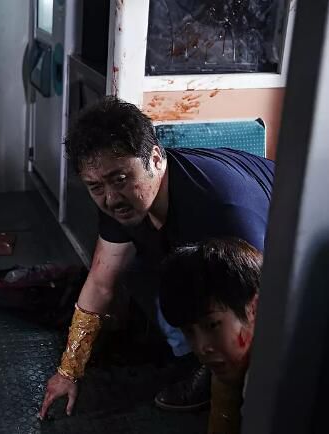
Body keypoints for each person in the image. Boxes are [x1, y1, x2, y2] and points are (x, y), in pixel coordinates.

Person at [39, 96, 274, 419]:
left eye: (121, 179)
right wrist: (68, 372)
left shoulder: (222, 210)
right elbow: (101, 281)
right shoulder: (118, 199)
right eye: (95, 187)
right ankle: (196, 362)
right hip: (213, 256)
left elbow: (262, 302)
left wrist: (230, 396)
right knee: (136, 272)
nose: (110, 198)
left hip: (282, 255)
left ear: (156, 159)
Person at [159, 238, 262, 433]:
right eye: (188, 331)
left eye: (213, 325)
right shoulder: (230, 364)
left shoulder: (279, 381)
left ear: (254, 309)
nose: (201, 347)